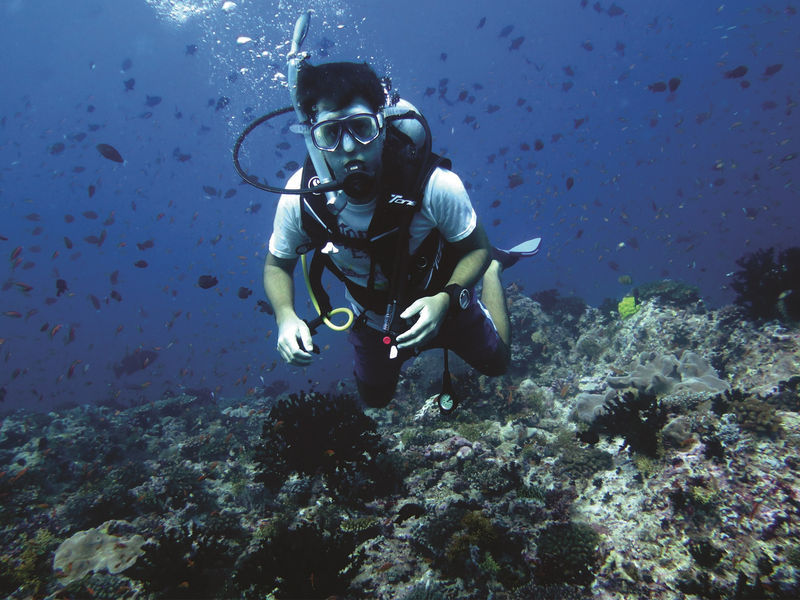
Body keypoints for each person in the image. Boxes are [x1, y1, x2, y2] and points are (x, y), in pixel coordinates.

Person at [263, 61, 537, 410]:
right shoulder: (300, 200)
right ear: (313, 139)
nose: (349, 148)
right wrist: (285, 316)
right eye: (330, 133)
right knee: (375, 399)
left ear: (382, 125)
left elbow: (477, 248)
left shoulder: (434, 184)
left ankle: (497, 270)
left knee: (498, 364)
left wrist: (447, 298)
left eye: (361, 128)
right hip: (372, 321)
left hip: (444, 300)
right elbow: (277, 265)